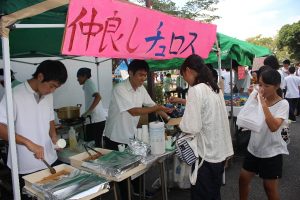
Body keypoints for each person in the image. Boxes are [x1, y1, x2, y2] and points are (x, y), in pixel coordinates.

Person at [103, 59, 172, 200]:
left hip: (130, 135)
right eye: (140, 75)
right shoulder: (120, 89)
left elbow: (152, 104)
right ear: (130, 73)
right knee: (121, 173)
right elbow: (134, 111)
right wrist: (157, 108)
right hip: (115, 137)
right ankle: (126, 196)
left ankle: (139, 191)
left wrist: (168, 119)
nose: (143, 78)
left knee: (135, 166)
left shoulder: (141, 89)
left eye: (145, 75)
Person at [0, 60, 68, 198]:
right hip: (26, 165)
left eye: (56, 88)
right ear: (40, 76)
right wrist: (28, 143)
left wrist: (53, 136)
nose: (52, 91)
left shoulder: (48, 95)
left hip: (50, 159)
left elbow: (49, 119)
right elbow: (1, 127)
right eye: (51, 86)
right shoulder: (14, 94)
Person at [170, 54, 234, 200]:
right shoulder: (214, 89)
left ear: (188, 70)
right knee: (214, 194)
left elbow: (191, 126)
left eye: (183, 75)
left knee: (203, 194)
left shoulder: (196, 90)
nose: (185, 80)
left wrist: (181, 124)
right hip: (219, 152)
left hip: (205, 155)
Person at [239, 69, 289, 200]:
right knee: (243, 180)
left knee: (269, 188)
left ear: (277, 86)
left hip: (272, 152)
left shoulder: (283, 104)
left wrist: (263, 103)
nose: (262, 88)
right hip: (254, 148)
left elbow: (273, 126)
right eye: (260, 84)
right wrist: (252, 98)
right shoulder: (258, 98)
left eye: (267, 86)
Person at [77, 68, 107, 147]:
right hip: (95, 119)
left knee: (98, 144)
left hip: (98, 119)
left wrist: (88, 112)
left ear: (84, 76)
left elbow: (98, 97)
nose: (77, 79)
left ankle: (100, 159)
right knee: (96, 143)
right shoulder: (87, 84)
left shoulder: (89, 83)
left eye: (78, 77)